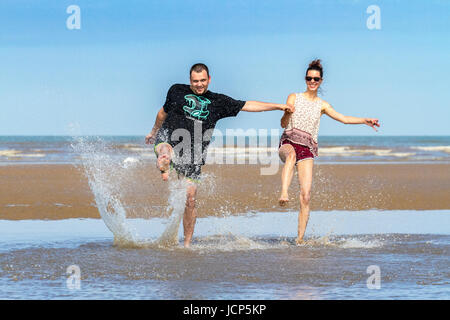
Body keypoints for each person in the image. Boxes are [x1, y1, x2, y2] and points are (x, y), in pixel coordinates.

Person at [145, 63, 294, 247]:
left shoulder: (218, 101)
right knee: (166, 149)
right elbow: (162, 113)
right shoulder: (176, 90)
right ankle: (165, 160)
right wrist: (153, 132)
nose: (199, 85)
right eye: (195, 81)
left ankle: (187, 245)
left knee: (190, 199)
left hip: (193, 154)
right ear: (189, 80)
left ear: (209, 79)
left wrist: (278, 106)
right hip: (169, 138)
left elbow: (248, 105)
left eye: (202, 81)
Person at [278, 59, 380, 244]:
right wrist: (286, 112)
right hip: (288, 142)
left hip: (307, 148)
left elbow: (344, 118)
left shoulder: (322, 105)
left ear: (321, 81)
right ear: (305, 79)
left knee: (306, 196)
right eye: (309, 78)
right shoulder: (294, 97)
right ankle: (284, 192)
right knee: (291, 155)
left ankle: (299, 239)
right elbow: (283, 124)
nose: (312, 81)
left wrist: (365, 120)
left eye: (316, 79)